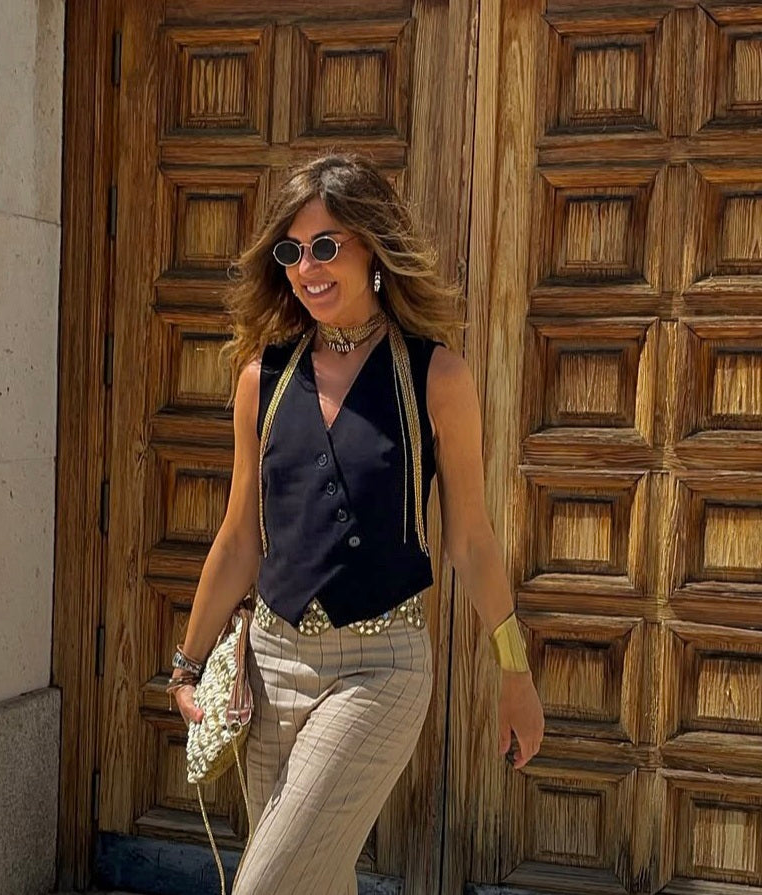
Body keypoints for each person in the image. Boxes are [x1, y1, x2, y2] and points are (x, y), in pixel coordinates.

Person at [166, 153, 545, 895]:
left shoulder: (436, 376)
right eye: (292, 252)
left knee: (266, 886)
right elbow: (240, 536)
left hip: (381, 670)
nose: (307, 268)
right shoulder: (262, 379)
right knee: (314, 882)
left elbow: (470, 539)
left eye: (325, 246)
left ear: (372, 246)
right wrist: (187, 666)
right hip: (269, 669)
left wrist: (515, 673)